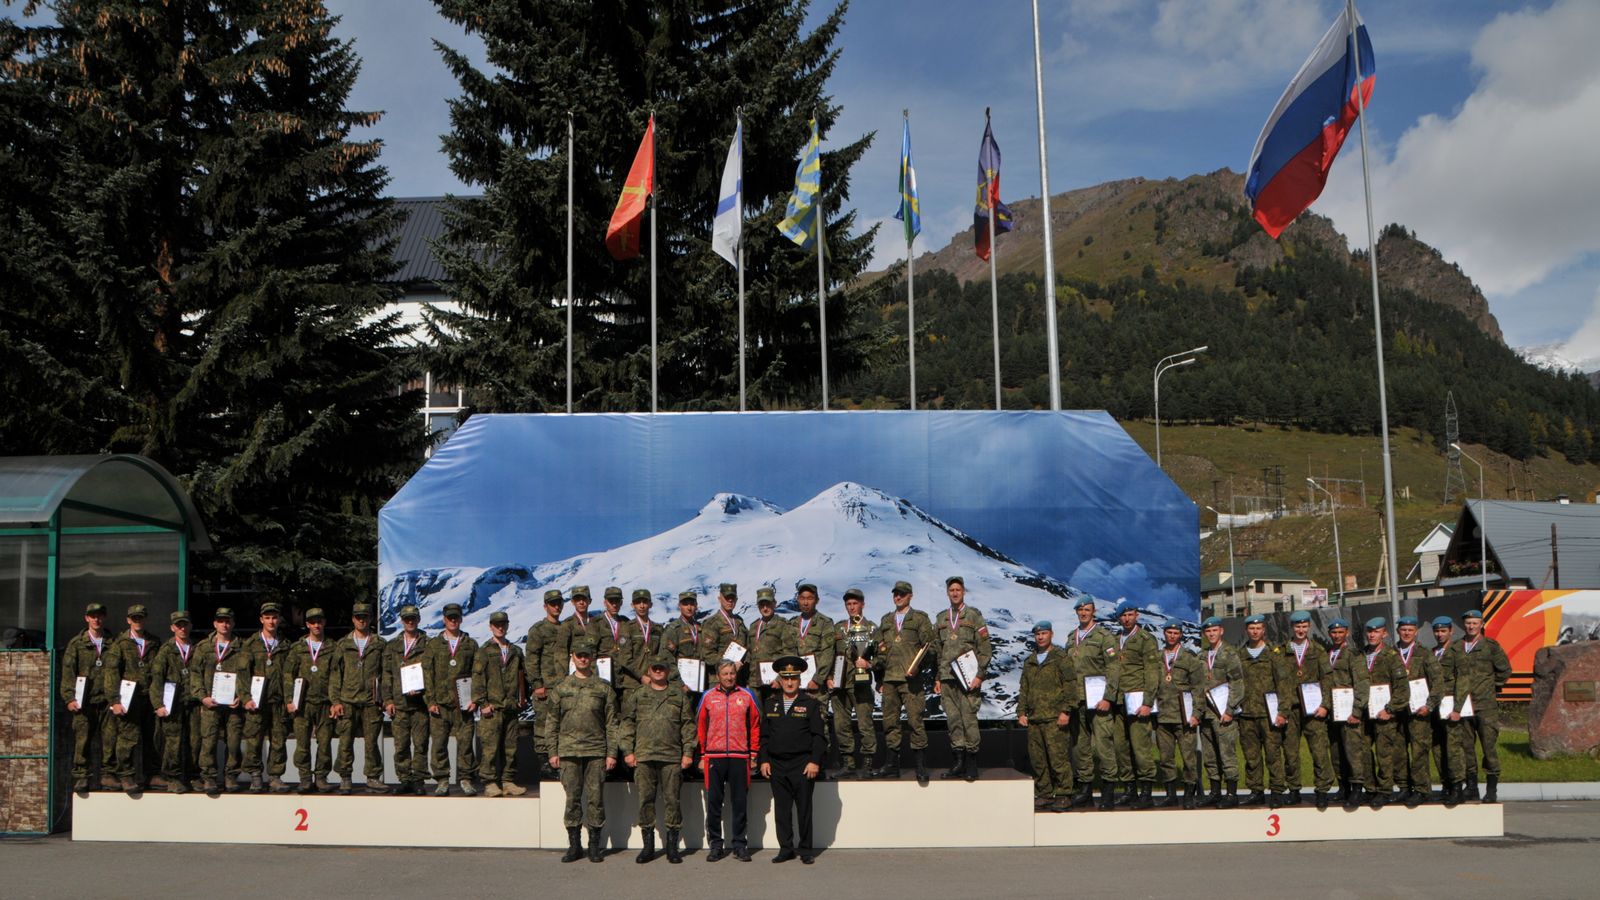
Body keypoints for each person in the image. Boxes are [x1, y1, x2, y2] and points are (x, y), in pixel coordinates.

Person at [551, 637, 620, 863]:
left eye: (586, 655)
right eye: (578, 655)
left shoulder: (603, 688)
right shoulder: (562, 688)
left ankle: (594, 845)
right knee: (572, 799)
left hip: (595, 751)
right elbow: (551, 722)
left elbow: (611, 723)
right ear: (572, 657)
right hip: (569, 752)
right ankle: (574, 845)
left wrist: (611, 753)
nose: (582, 659)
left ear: (592, 659)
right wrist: (552, 751)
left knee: (595, 799)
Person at [621, 655, 695, 864]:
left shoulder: (678, 696)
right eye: (655, 668)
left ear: (668, 671)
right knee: (645, 801)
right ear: (649, 671)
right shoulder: (638, 695)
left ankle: (672, 847)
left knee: (673, 801)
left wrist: (688, 752)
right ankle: (648, 847)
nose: (658, 671)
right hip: (644, 757)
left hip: (671, 757)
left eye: (662, 668)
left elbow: (688, 725)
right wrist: (628, 751)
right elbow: (627, 723)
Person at [759, 656, 827, 864]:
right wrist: (764, 760)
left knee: (804, 809)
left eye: (794, 679)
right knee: (782, 809)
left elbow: (819, 737)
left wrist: (814, 761)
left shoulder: (811, 704)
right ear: (779, 680)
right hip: (777, 765)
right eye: (786, 678)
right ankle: (786, 849)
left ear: (800, 680)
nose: (790, 683)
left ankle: (805, 850)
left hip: (802, 764)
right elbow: (764, 736)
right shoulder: (770, 704)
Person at [697, 659, 761, 862]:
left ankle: (740, 845)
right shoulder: (707, 696)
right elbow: (700, 727)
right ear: (718, 675)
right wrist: (702, 754)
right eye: (725, 673)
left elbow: (755, 726)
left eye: (732, 673)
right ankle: (716, 845)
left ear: (736, 674)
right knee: (714, 803)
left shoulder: (747, 695)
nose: (729, 677)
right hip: (714, 757)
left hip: (739, 756)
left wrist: (753, 754)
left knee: (739, 803)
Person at [874, 581, 933, 784]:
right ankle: (892, 764)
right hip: (890, 679)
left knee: (915, 721)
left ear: (910, 596)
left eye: (902, 594)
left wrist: (919, 666)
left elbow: (929, 647)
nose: (898, 597)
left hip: (911, 680)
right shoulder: (886, 620)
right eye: (895, 594)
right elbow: (880, 649)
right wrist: (878, 677)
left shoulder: (919, 618)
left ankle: (920, 765)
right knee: (890, 723)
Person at [934, 575, 991, 783]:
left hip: (968, 679)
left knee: (969, 719)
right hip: (948, 678)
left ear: (964, 591)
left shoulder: (974, 616)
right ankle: (958, 761)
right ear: (947, 593)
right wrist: (938, 677)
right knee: (953, 721)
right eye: (951, 590)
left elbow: (985, 649)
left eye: (958, 589)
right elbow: (938, 652)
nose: (955, 593)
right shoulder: (941, 618)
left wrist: (979, 675)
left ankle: (972, 763)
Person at [1065, 597, 1119, 810]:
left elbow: (1114, 668)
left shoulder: (1104, 637)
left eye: (1087, 610)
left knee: (1103, 745)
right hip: (1077, 700)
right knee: (1080, 747)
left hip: (1098, 701)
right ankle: (1085, 789)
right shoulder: (1072, 637)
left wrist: (1108, 697)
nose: (1084, 613)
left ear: (1093, 611)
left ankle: (1108, 791)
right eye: (1080, 610)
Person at [329, 603, 389, 795]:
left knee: (372, 743)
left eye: (365, 616)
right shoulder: (343, 644)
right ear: (353, 619)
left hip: (372, 701)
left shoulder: (380, 644)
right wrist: (335, 701)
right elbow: (335, 674)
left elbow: (386, 673)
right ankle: (345, 777)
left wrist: (385, 699)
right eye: (358, 617)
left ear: (370, 619)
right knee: (345, 741)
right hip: (347, 700)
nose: (361, 620)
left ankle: (373, 777)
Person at [194, 607, 253, 797]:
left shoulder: (242, 647)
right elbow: (195, 675)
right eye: (221, 621)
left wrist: (241, 697)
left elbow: (247, 676)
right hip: (210, 704)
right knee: (209, 742)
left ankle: (231, 775)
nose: (224, 624)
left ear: (233, 624)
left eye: (228, 621)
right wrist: (202, 697)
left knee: (234, 742)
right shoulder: (203, 647)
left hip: (233, 706)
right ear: (215, 624)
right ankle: (209, 777)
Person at [1454, 608, 1511, 803]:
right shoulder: (1456, 647)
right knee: (1466, 748)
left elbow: (1504, 670)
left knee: (1489, 747)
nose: (1471, 626)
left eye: (1474, 623)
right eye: (1468, 623)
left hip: (1486, 706)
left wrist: (1490, 687)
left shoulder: (1490, 647)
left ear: (1481, 625)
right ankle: (1471, 787)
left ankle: (1492, 789)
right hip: (1463, 706)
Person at [1018, 621, 1076, 811]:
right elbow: (1024, 688)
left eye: (1044, 633)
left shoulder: (1060, 658)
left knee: (1058, 758)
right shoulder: (1031, 661)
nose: (1040, 637)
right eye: (1037, 634)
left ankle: (1064, 794)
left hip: (1054, 718)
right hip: (1035, 718)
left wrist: (1066, 711)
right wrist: (1021, 711)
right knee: (1038, 759)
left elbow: (1070, 685)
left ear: (1051, 634)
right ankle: (1044, 793)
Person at [1235, 614, 1290, 809]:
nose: (1255, 631)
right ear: (1246, 631)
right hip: (1247, 715)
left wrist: (1283, 712)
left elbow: (1283, 684)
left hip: (1269, 715)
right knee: (1251, 756)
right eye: (1251, 628)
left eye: (1258, 628)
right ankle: (1256, 791)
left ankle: (1277, 791)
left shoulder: (1273, 654)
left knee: (1273, 754)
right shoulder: (1239, 655)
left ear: (1264, 630)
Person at [1282, 610, 1335, 810]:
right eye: (1297, 627)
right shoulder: (1282, 650)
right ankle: (1293, 790)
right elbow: (1279, 682)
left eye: (1304, 626)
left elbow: (1327, 679)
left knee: (1319, 750)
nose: (1301, 630)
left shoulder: (1318, 651)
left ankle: (1322, 791)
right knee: (1290, 751)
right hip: (1292, 709)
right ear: (1292, 628)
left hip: (1314, 709)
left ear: (1309, 627)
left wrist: (1325, 706)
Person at [105, 603, 160, 795]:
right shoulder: (119, 644)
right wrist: (115, 701)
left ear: (145, 619)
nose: (137, 621)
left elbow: (159, 672)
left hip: (149, 698)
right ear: (128, 620)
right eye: (134, 618)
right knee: (127, 738)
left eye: (140, 618)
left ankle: (151, 774)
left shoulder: (154, 642)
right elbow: (112, 673)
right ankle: (126, 774)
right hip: (129, 699)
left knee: (151, 737)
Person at [61, 601, 115, 795]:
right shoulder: (77, 644)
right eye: (93, 616)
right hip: (84, 701)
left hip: (107, 700)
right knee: (82, 739)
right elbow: (68, 671)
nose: (96, 619)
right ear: (87, 618)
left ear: (104, 617)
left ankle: (108, 774)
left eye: (100, 615)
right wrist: (69, 698)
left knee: (110, 740)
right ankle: (82, 776)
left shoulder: (113, 642)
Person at [427, 601, 479, 796]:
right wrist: (430, 701)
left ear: (461, 619)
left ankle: (465, 779)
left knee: (466, 743)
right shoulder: (434, 645)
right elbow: (427, 674)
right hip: (440, 704)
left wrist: (475, 699)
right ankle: (442, 779)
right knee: (439, 744)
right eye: (450, 617)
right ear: (444, 619)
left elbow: (478, 673)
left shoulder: (470, 644)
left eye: (456, 617)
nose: (453, 621)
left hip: (463, 705)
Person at [473, 610, 526, 798]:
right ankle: (489, 782)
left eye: (503, 624)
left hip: (511, 707)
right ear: (490, 627)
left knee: (510, 746)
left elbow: (523, 678)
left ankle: (508, 781)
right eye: (496, 624)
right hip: (492, 708)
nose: (500, 627)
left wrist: (522, 699)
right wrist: (482, 703)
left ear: (508, 625)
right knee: (490, 747)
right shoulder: (484, 651)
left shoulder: (516, 651)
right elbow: (478, 679)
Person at [1111, 600, 1159, 809]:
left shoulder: (1145, 639)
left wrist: (1148, 702)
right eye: (1123, 616)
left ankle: (1146, 792)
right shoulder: (1115, 640)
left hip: (1138, 701)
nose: (1127, 619)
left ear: (1137, 615)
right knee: (1121, 747)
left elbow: (1151, 672)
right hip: (1119, 701)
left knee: (1141, 747)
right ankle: (1129, 789)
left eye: (1130, 615)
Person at [282, 607, 334, 794]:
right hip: (302, 704)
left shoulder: (332, 647)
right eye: (313, 622)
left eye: (319, 621)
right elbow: (288, 674)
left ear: (324, 623)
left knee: (325, 742)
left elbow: (337, 675)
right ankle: (305, 778)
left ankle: (321, 777)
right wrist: (289, 699)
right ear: (307, 624)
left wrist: (335, 701)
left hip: (324, 702)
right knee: (302, 744)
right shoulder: (297, 648)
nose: (316, 625)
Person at [1152, 619, 1203, 808]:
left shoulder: (1190, 658)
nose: (1172, 636)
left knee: (1188, 758)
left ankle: (1189, 794)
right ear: (1164, 633)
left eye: (1175, 633)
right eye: (1169, 632)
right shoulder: (1157, 657)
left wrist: (1196, 713)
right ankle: (1170, 794)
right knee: (1166, 758)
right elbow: (1151, 685)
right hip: (1162, 716)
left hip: (1184, 717)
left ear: (1180, 634)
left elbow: (1198, 688)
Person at [1362, 617, 1411, 809]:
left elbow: (1402, 689)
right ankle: (1371, 788)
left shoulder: (1391, 656)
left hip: (1385, 715)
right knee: (1364, 752)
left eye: (1377, 632)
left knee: (1385, 753)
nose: (1372, 635)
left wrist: (1390, 710)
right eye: (1370, 632)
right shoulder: (1361, 655)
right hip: (1365, 714)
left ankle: (1385, 790)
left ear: (1385, 633)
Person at [241, 601, 290, 793]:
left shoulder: (285, 644)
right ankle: (255, 775)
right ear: (261, 619)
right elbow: (243, 673)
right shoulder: (251, 644)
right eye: (267, 617)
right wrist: (245, 698)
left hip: (278, 700)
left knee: (279, 739)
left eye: (274, 617)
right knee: (254, 739)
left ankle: (275, 776)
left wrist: (289, 699)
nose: (271, 621)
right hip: (256, 701)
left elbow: (289, 674)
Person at [150, 610, 200, 793]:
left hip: (193, 703)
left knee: (195, 741)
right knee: (173, 742)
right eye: (178, 625)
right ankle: (172, 777)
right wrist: (158, 704)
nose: (182, 628)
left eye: (185, 624)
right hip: (173, 705)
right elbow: (156, 679)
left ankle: (193, 776)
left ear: (190, 626)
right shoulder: (165, 651)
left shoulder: (198, 649)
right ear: (172, 628)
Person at [1196, 616, 1243, 809]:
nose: (1211, 634)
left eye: (1214, 630)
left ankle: (1231, 793)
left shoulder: (1230, 654)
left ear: (1221, 631)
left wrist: (1230, 709)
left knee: (1226, 753)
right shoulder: (1201, 655)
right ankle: (1215, 791)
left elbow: (1237, 683)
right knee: (1210, 754)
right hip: (1206, 713)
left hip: (1223, 714)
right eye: (1208, 631)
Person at [384, 604, 431, 795]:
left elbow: (432, 672)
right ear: (402, 621)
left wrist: (423, 690)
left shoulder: (428, 644)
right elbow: (387, 674)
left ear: (418, 620)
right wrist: (387, 700)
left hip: (420, 704)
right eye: (406, 619)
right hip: (399, 704)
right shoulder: (392, 646)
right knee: (401, 745)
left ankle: (419, 780)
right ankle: (404, 779)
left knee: (420, 744)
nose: (410, 622)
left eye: (413, 618)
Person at [1394, 615, 1441, 808]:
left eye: (1410, 630)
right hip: (1397, 711)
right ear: (1398, 631)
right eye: (1403, 630)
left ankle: (1422, 789)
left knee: (1419, 751)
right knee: (1398, 751)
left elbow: (1438, 681)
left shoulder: (1424, 654)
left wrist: (1429, 705)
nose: (1406, 633)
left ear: (1416, 632)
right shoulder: (1391, 653)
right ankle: (1404, 787)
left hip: (1419, 711)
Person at [1326, 618, 1372, 810]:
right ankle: (1343, 786)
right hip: (1331, 711)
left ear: (1347, 633)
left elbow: (1362, 683)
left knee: (1353, 751)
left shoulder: (1353, 654)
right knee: (1337, 752)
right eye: (1334, 633)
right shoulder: (1327, 653)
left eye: (1340, 632)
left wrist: (1357, 710)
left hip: (1349, 712)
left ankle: (1357, 788)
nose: (1337, 635)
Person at [832, 588, 877, 779]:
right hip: (840, 683)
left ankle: (867, 763)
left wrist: (869, 663)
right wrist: (828, 676)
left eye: (855, 603)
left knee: (865, 724)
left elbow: (883, 657)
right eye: (848, 604)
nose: (852, 607)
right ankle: (848, 763)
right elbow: (830, 654)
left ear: (863, 604)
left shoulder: (872, 628)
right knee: (841, 725)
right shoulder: (838, 628)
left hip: (861, 684)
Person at [527, 588, 568, 779]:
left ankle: (557, 761)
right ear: (545, 606)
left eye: (559, 603)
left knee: (560, 726)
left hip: (563, 687)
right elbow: (531, 658)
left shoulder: (566, 628)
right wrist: (537, 684)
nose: (556, 606)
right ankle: (544, 762)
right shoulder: (538, 630)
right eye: (553, 604)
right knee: (543, 725)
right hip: (545, 687)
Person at [1431, 615, 1467, 807]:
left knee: (1453, 748)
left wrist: (1458, 708)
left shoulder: (1457, 652)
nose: (1439, 634)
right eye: (1436, 631)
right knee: (1438, 747)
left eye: (1443, 631)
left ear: (1451, 632)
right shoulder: (1432, 652)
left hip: (1451, 706)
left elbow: (1463, 680)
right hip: (1435, 707)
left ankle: (1457, 787)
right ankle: (1445, 784)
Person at [747, 586, 796, 703]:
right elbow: (749, 654)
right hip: (755, 683)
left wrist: (780, 679)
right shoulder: (753, 627)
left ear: (774, 604)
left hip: (774, 683)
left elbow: (790, 654)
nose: (765, 608)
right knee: (756, 717)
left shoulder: (783, 625)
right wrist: (747, 681)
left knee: (774, 717)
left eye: (768, 604)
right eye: (761, 605)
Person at [700, 583, 750, 683]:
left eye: (732, 597)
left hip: (739, 679)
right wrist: (729, 666)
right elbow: (707, 655)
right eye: (727, 597)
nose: (730, 600)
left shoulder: (739, 621)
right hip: (719, 680)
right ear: (720, 599)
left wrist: (742, 663)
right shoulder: (712, 623)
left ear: (736, 600)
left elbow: (747, 647)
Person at [588, 586, 633, 695]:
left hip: (624, 678)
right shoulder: (596, 623)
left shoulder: (626, 622)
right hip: (603, 676)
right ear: (605, 602)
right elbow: (590, 651)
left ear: (621, 603)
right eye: (610, 601)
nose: (614, 604)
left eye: (617, 601)